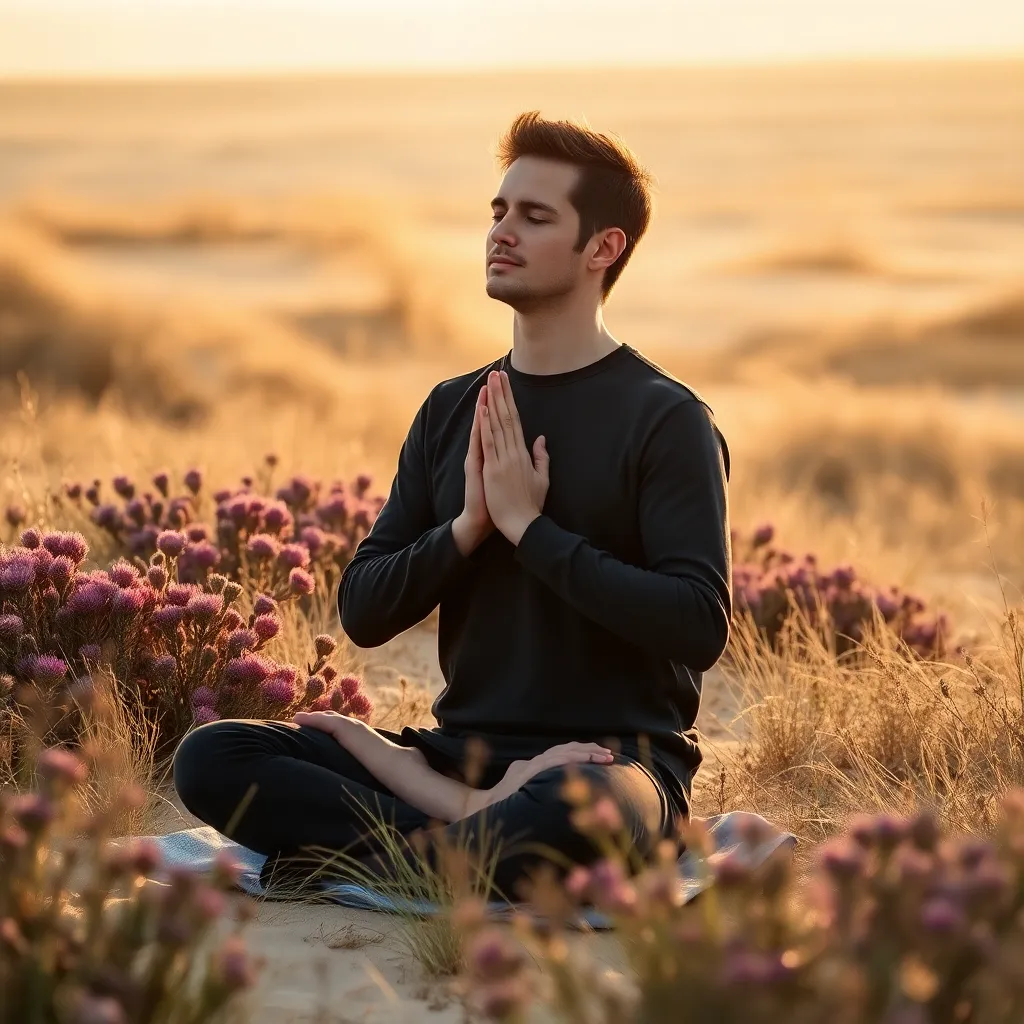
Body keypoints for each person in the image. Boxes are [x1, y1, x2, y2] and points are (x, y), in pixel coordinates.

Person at [173, 110, 733, 902]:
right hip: (454, 757)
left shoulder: (666, 418)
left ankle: (410, 844)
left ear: (602, 249)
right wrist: (469, 528)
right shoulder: (450, 408)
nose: (502, 231)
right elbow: (363, 611)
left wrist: (532, 533)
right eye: (499, 211)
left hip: (613, 767)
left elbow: (697, 623)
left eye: (535, 217)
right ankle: (466, 829)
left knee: (578, 814)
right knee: (212, 758)